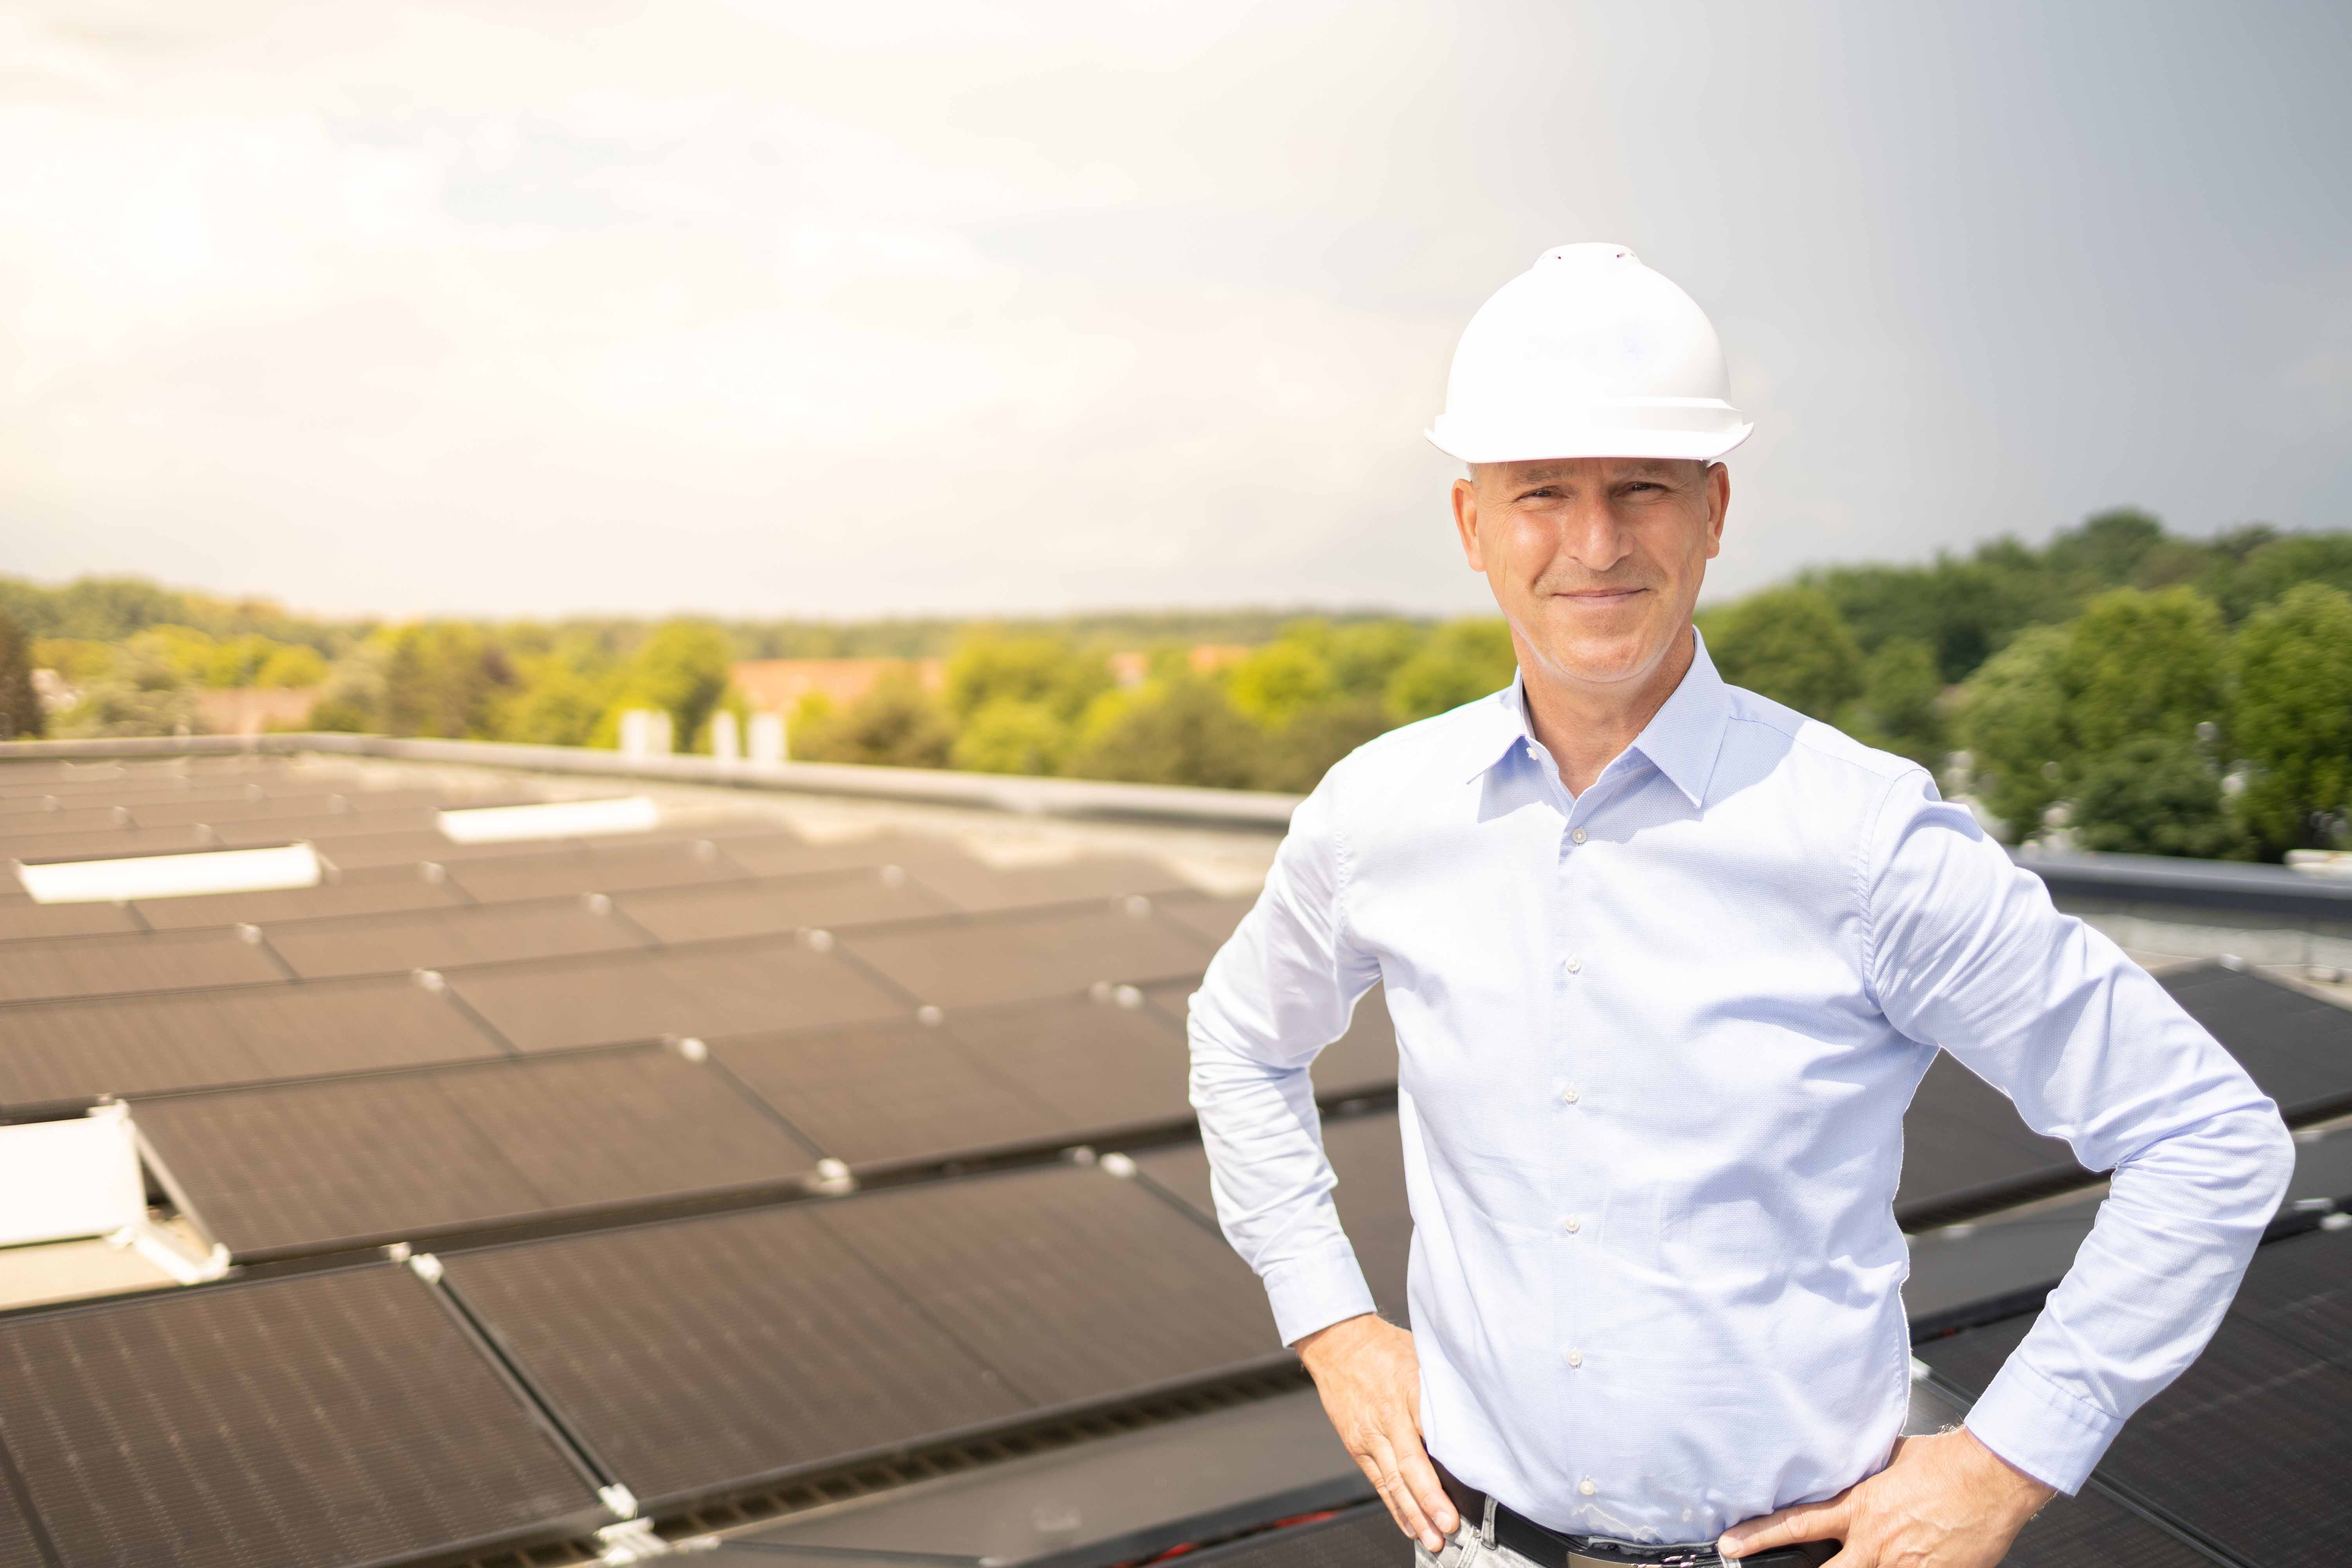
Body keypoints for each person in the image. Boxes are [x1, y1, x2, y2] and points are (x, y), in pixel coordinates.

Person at [1185, 245, 2294, 1567]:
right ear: (1472, 524)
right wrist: (1331, 1325)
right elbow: (1241, 1041)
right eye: (1542, 491)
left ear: (1713, 509)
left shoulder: (1864, 838)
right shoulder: (1381, 813)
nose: (1594, 544)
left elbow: (2208, 1137)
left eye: (1641, 489)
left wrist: (2005, 1465)